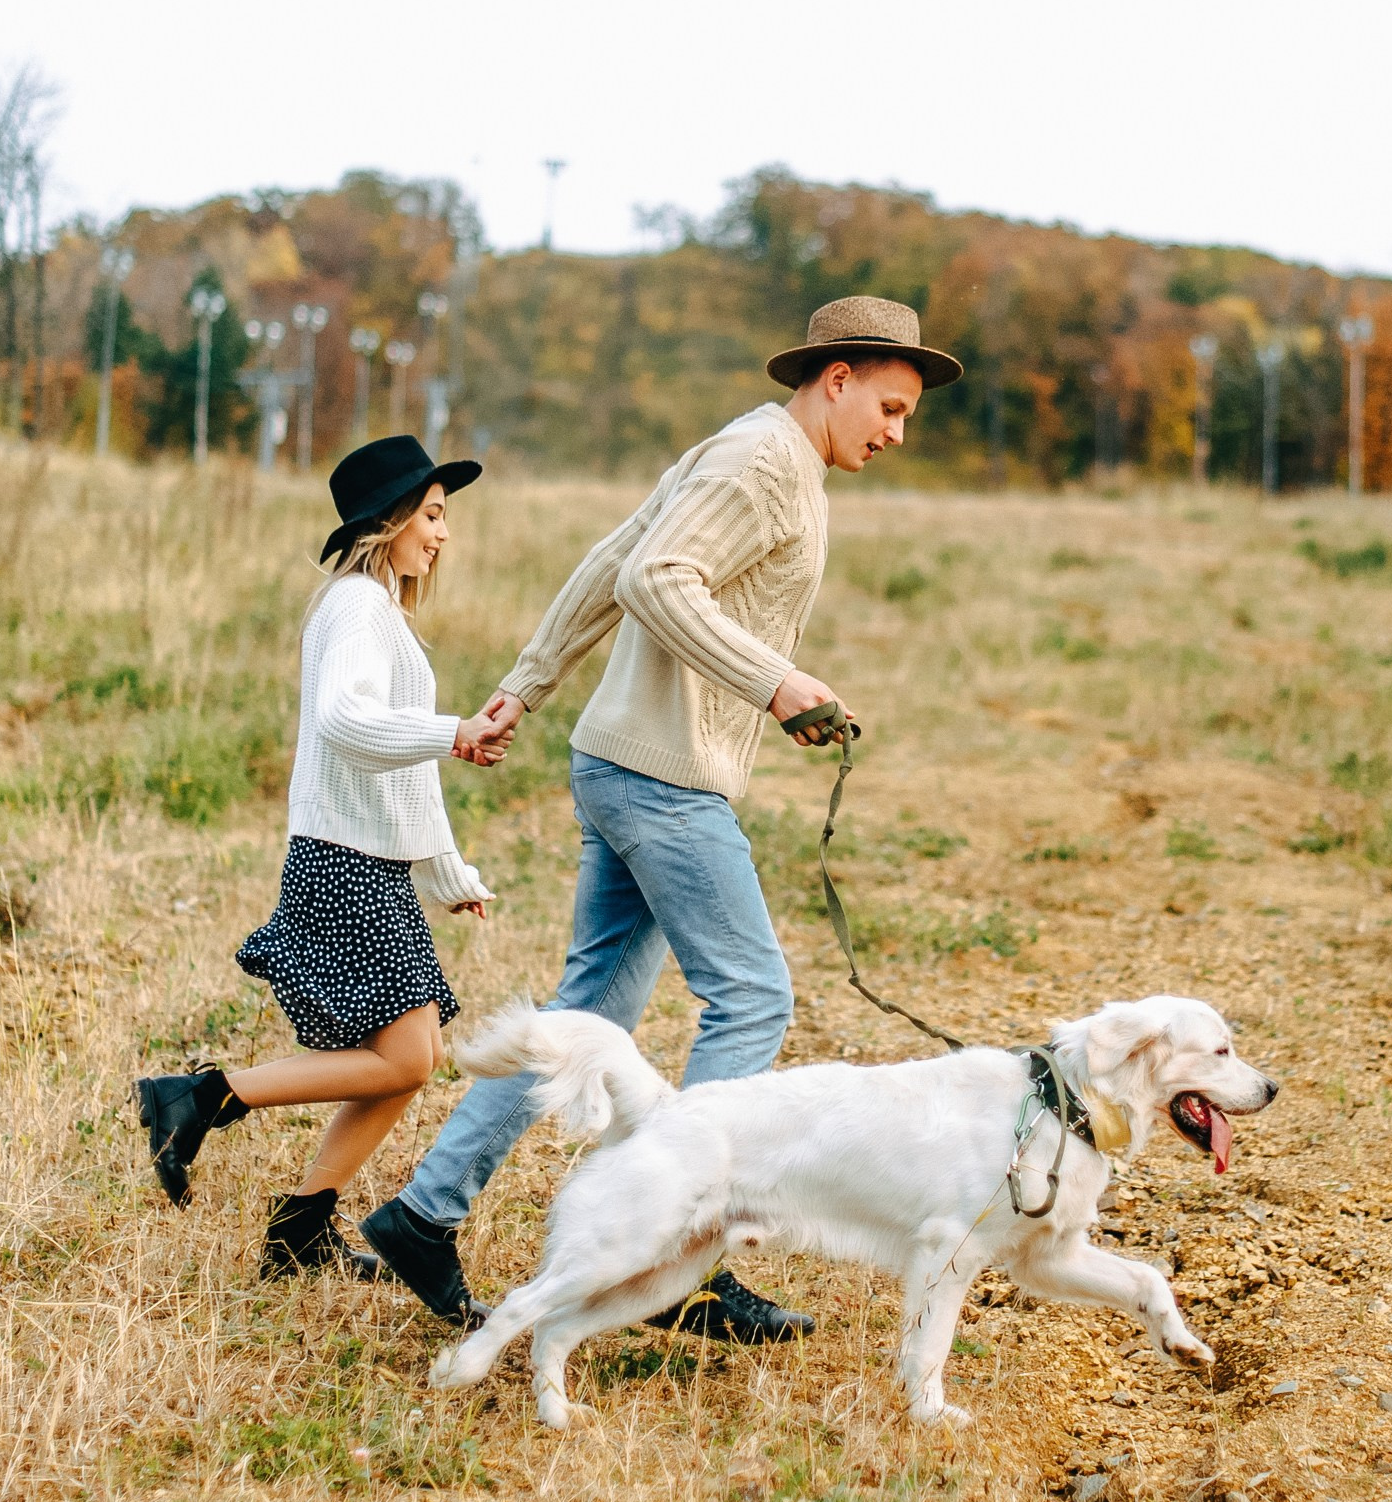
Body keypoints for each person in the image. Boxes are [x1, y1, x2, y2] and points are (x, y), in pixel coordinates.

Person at [360, 295, 962, 1335]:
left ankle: (423, 1211)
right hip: (660, 778)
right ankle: (679, 1247)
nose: (896, 431)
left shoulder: (756, 453)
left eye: (907, 416)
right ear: (836, 377)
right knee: (753, 994)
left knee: (589, 1015)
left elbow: (614, 555)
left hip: (627, 762)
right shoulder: (761, 462)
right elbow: (651, 574)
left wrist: (529, 680)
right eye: (892, 405)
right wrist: (775, 682)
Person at [135, 433, 496, 1283]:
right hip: (343, 861)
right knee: (410, 1058)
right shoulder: (358, 609)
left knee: (405, 1063)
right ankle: (204, 1098)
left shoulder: (378, 610)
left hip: (364, 860)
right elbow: (345, 722)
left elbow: (394, 770)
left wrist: (447, 876)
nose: (443, 534)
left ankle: (300, 1225)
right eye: (434, 514)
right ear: (392, 518)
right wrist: (452, 733)